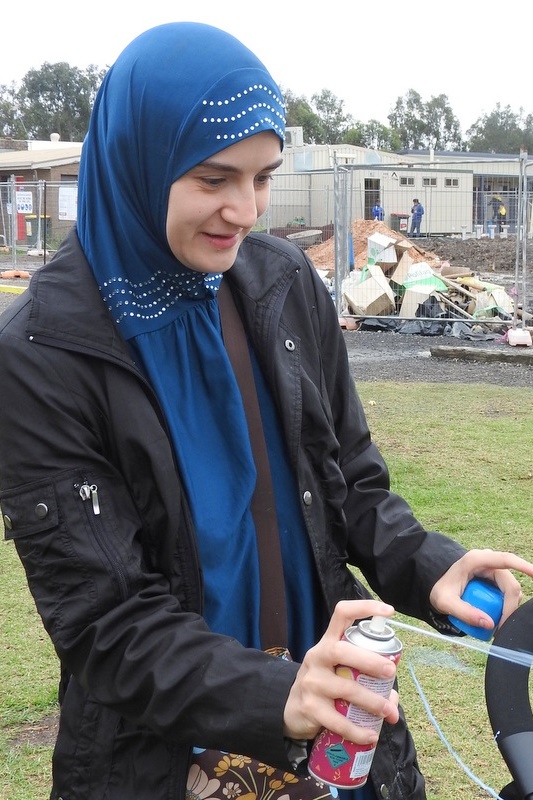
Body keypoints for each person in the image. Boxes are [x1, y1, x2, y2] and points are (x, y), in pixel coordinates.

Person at [0, 21, 532, 800]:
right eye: (214, 179)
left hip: (333, 728)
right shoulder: (44, 352)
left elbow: (347, 481)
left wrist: (426, 565)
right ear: (135, 165)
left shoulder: (278, 283)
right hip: (164, 760)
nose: (244, 210)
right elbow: (104, 623)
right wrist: (276, 695)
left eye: (262, 177)